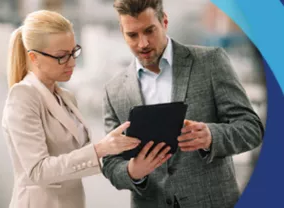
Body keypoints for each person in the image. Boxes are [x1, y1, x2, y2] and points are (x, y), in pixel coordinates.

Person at [101, 0, 264, 207]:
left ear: (164, 21)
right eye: (132, 35)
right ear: (122, 31)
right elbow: (111, 162)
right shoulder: (113, 90)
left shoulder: (210, 62)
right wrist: (132, 172)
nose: (143, 43)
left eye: (149, 31)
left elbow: (252, 129)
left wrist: (211, 136)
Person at [1, 10, 141, 208]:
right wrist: (100, 149)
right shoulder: (23, 96)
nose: (72, 63)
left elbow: (80, 159)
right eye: (61, 56)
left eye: (73, 52)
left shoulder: (66, 97)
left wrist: (125, 152)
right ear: (34, 57)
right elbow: (38, 171)